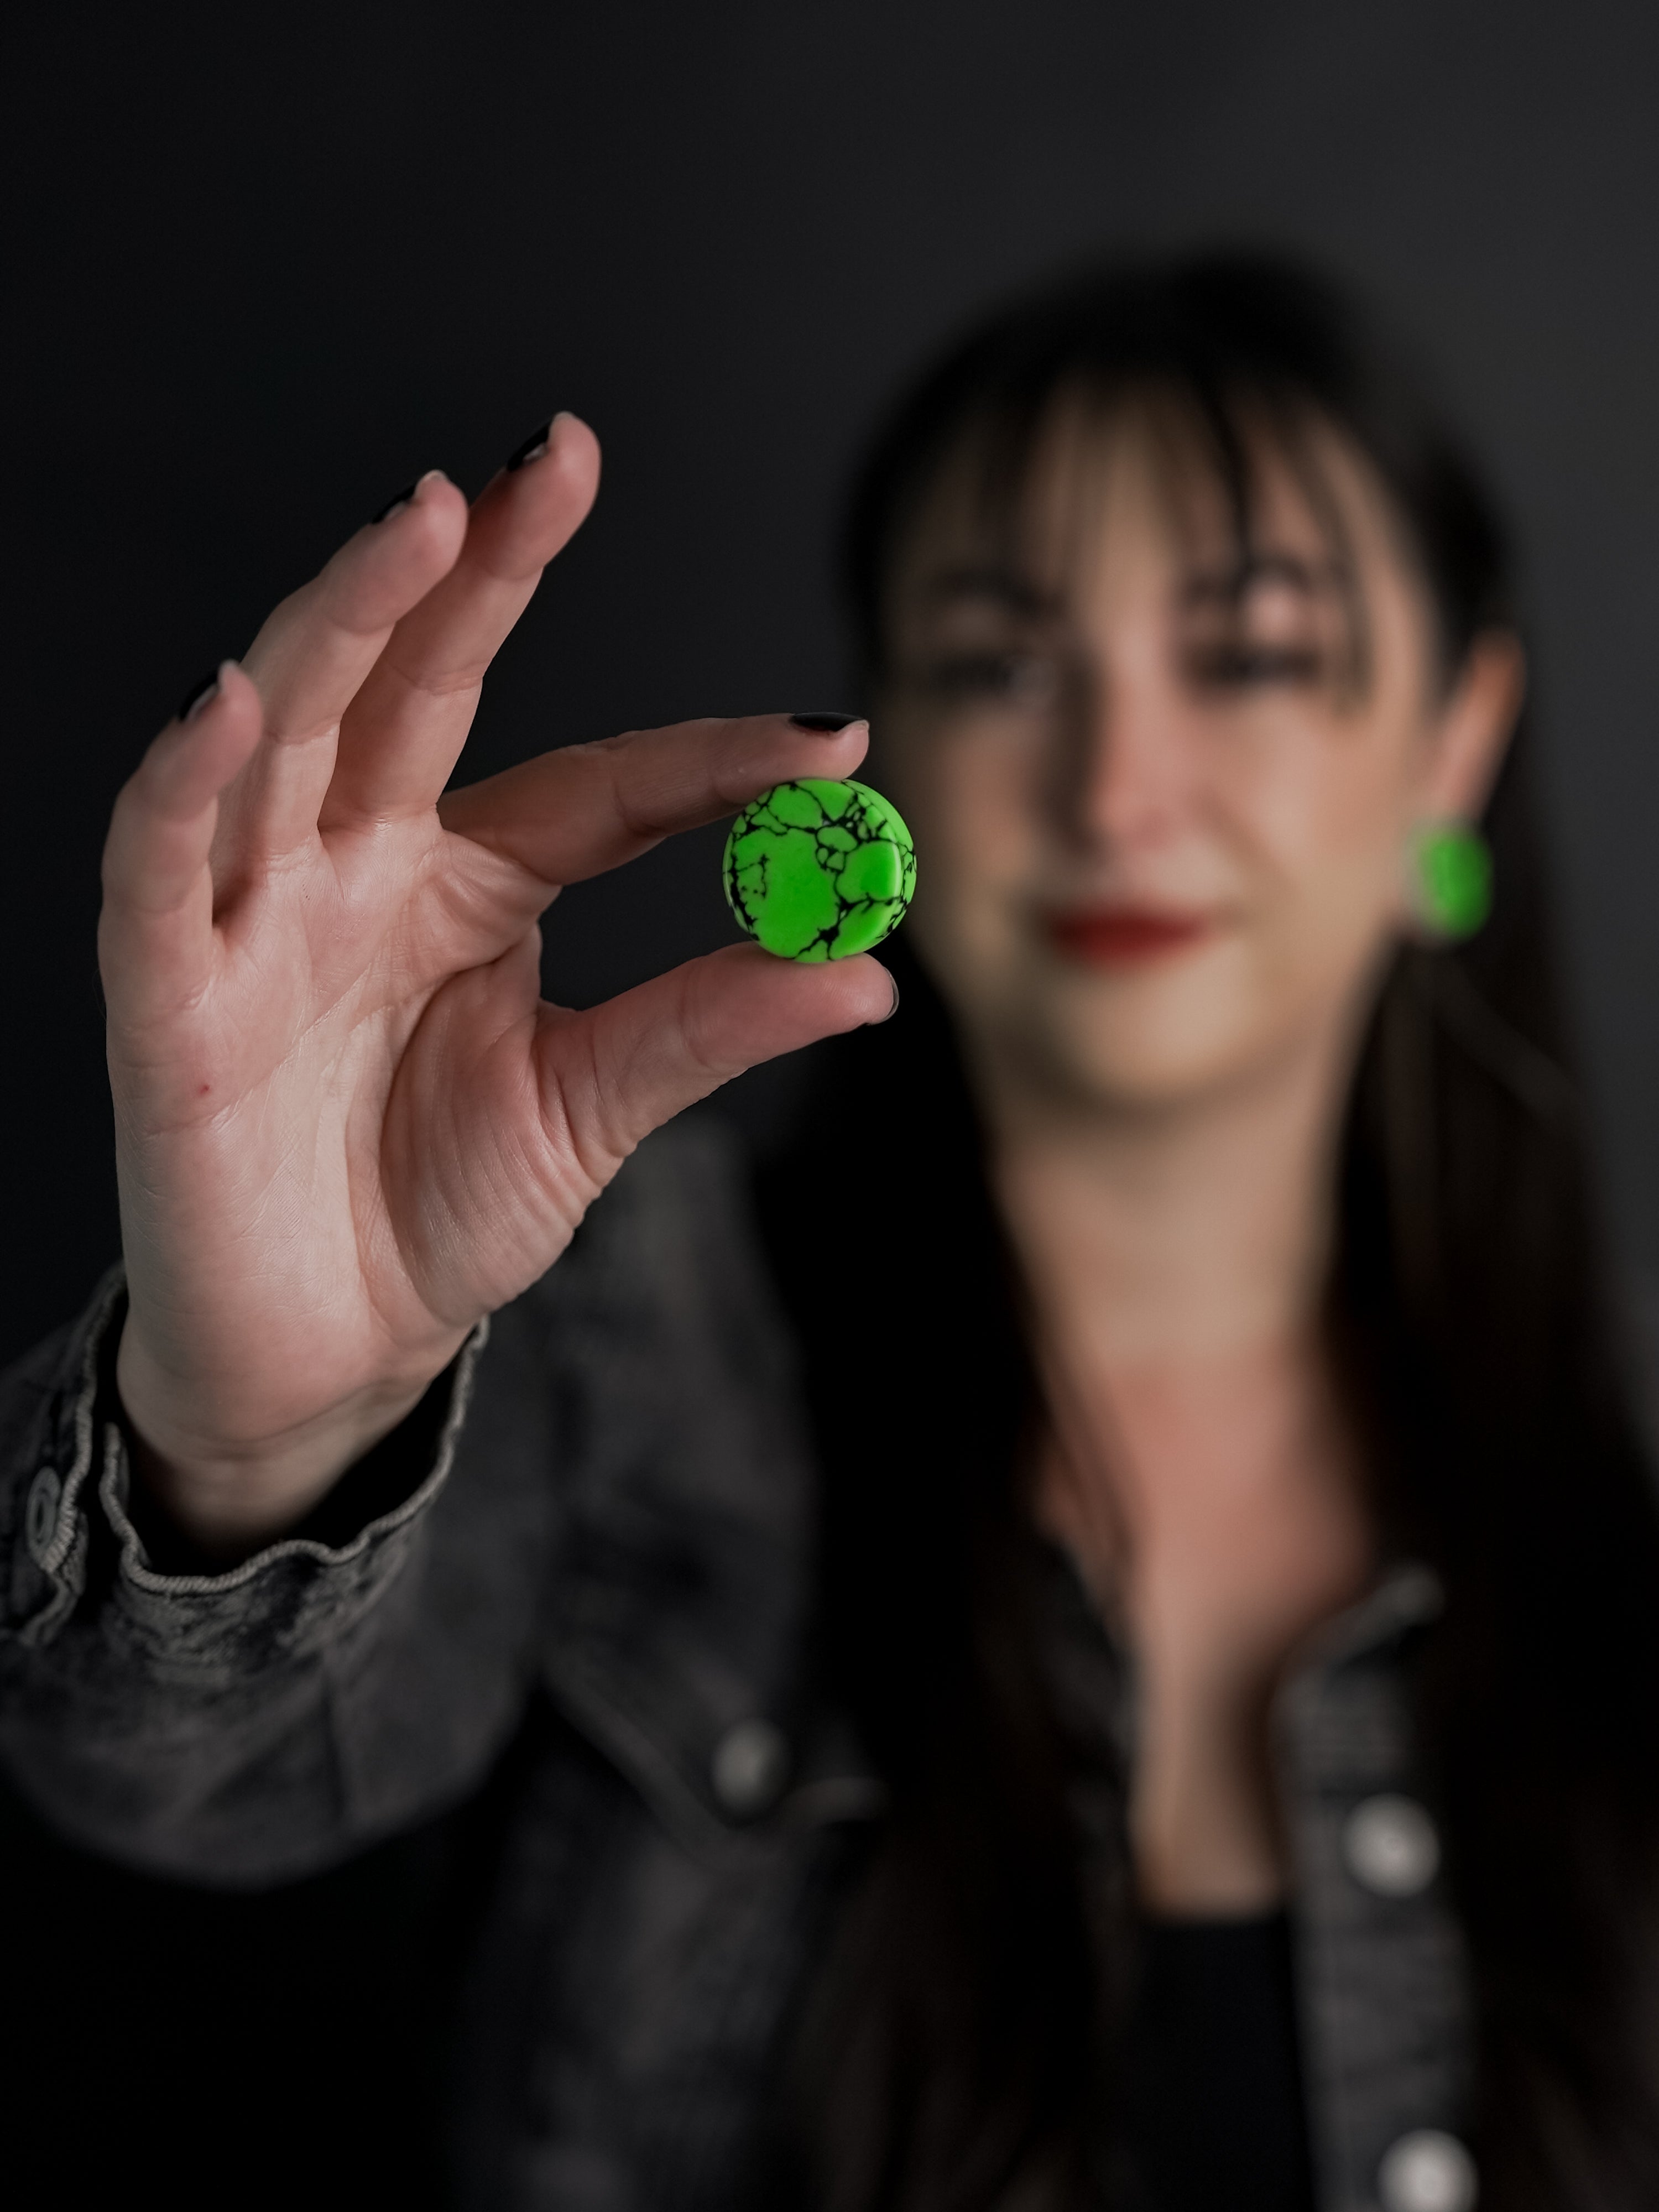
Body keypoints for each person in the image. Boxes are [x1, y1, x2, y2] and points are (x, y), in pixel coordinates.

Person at [2, 251, 1655, 2212]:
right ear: (892, 747)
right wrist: (257, 1443)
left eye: (1254, 654)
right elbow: (177, 1778)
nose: (1117, 790)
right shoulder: (622, 1340)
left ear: (1452, 744)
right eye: (1000, 660)